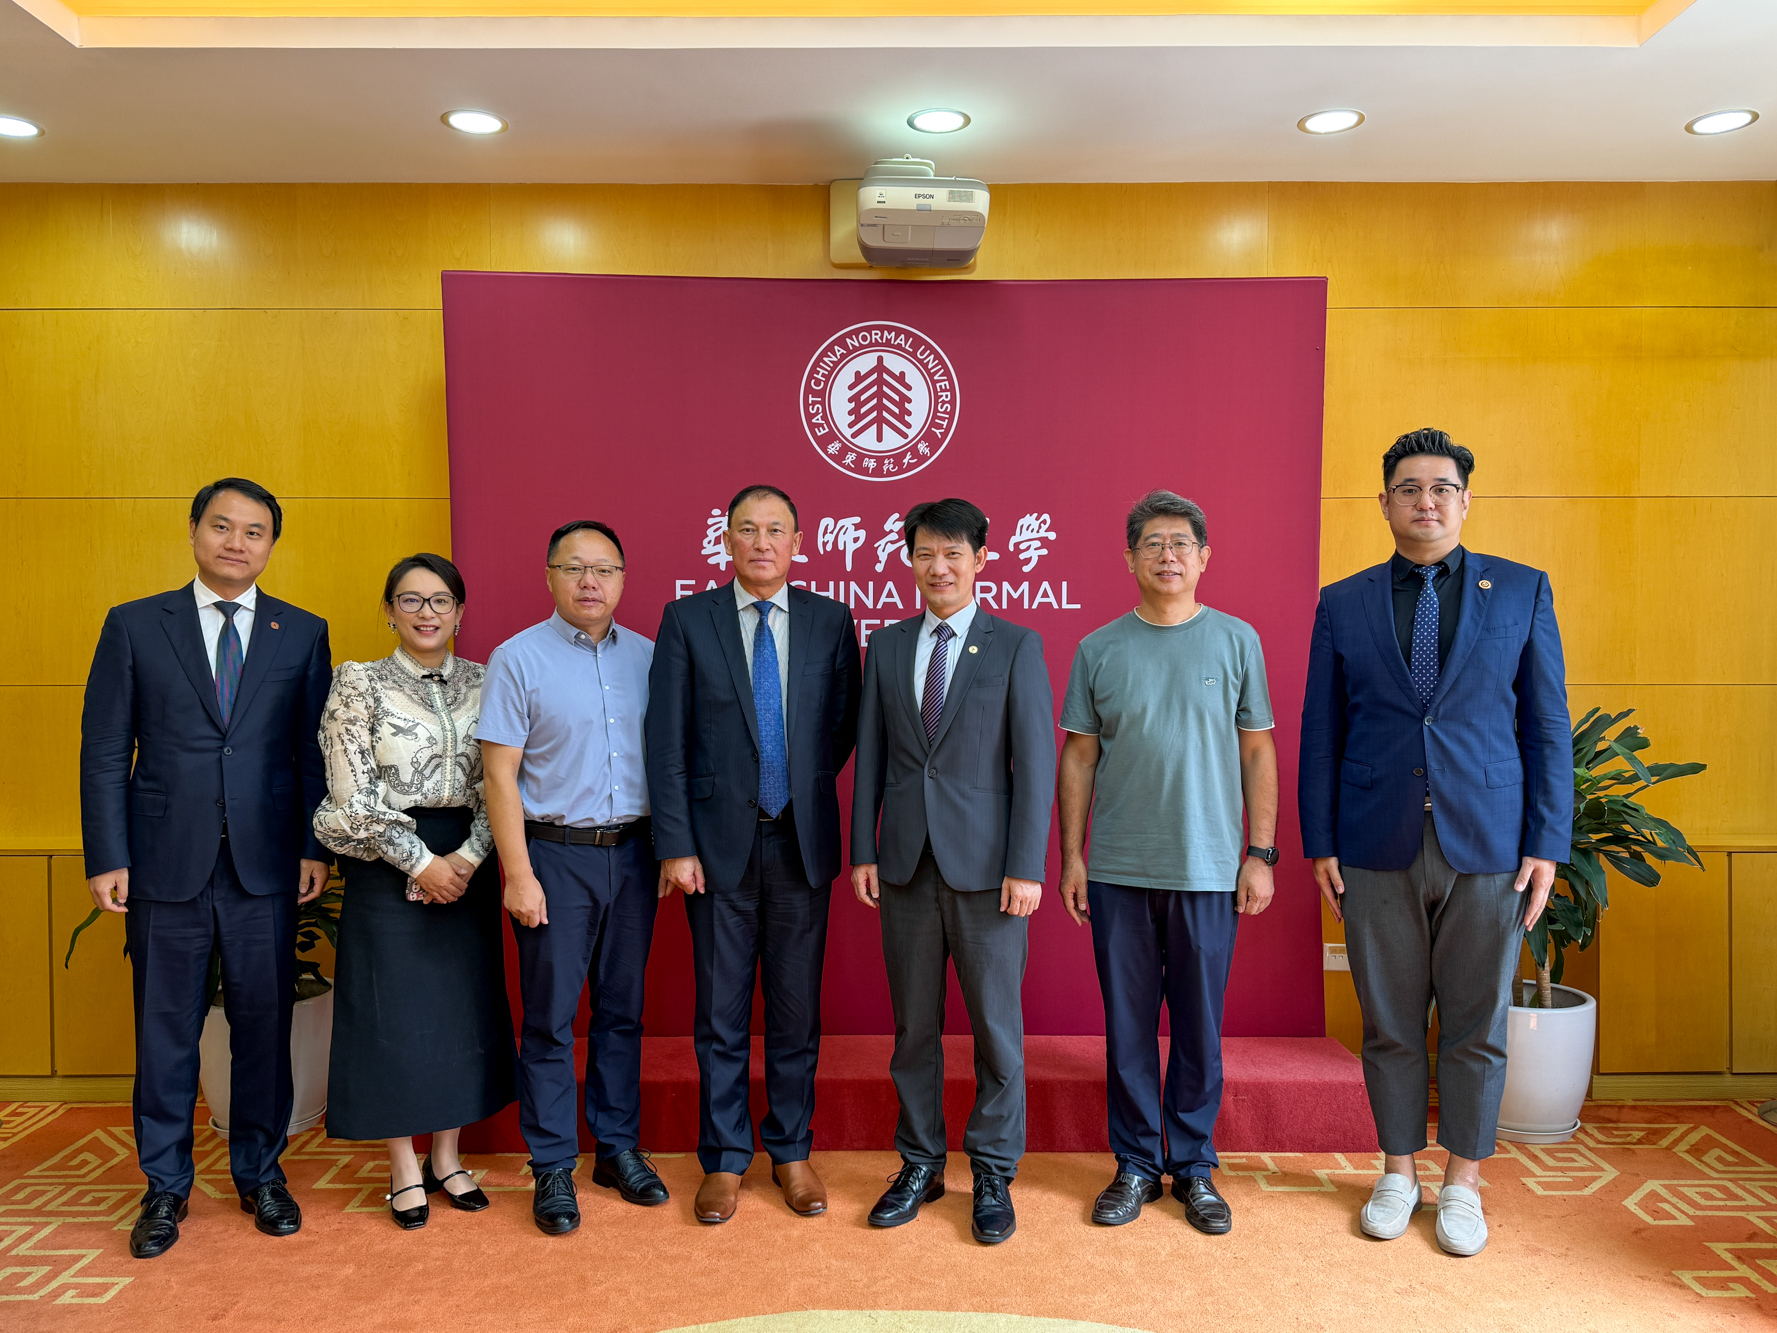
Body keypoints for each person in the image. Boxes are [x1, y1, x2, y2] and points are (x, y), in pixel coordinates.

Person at [1300, 428, 1570, 1257]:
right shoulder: (1342, 601)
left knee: (1475, 1022)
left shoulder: (1520, 589)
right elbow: (1320, 729)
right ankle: (1396, 1170)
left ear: (1464, 500)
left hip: (1489, 843)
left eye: (1441, 487)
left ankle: (1462, 1180)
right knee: (1387, 1019)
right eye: (1409, 488)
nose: (1426, 501)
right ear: (1383, 502)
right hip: (1372, 838)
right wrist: (1319, 841)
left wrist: (1546, 842)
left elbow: (1545, 724)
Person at [80, 478, 332, 1260]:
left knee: (263, 1027)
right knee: (165, 1033)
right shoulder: (134, 624)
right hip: (163, 863)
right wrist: (108, 854)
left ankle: (261, 1173)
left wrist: (313, 846)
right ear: (193, 530)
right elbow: (104, 748)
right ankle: (164, 1186)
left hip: (266, 864)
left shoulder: (302, 632)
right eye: (222, 526)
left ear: (271, 545)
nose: (236, 542)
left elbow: (312, 752)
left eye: (254, 531)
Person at [1056, 491, 1278, 1236]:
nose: (1167, 555)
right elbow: (1078, 757)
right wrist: (1072, 857)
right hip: (1118, 869)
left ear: (1204, 556)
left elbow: (1258, 752)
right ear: (1129, 558)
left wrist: (1259, 854)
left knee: (1198, 1026)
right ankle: (1134, 1164)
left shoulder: (1236, 641)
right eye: (1152, 543)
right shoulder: (1099, 648)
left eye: (1181, 543)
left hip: (1209, 869)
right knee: (1126, 1028)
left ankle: (1194, 1166)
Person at [646, 484, 862, 1225]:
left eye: (775, 530)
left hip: (801, 842)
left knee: (797, 1012)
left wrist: (796, 788)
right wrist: (676, 843)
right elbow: (665, 741)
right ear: (726, 540)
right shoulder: (687, 619)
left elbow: (840, 729)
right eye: (747, 529)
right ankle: (724, 1157)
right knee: (721, 1013)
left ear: (799, 542)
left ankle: (792, 1150)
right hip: (714, 850)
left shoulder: (831, 620)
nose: (761, 542)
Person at [851, 498, 1056, 1245]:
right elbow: (871, 756)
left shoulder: (1015, 645)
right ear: (909, 559)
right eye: (925, 554)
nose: (938, 567)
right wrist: (863, 849)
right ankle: (920, 1163)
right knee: (914, 1029)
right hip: (905, 865)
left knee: (996, 1030)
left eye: (953, 554)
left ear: (980, 560)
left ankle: (993, 1170)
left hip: (989, 873)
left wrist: (1026, 865)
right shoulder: (885, 645)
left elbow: (1035, 764)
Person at [312, 553, 516, 1230]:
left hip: (469, 859)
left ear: (459, 611)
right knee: (392, 1016)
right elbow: (350, 793)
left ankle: (447, 1156)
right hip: (385, 857)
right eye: (410, 599)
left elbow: (503, 783)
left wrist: (467, 857)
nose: (426, 613)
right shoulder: (359, 682)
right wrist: (421, 863)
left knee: (459, 1012)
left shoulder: (488, 680)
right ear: (389, 610)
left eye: (440, 601)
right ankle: (403, 1164)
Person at [477, 520, 663, 1235]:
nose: (591, 582)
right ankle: (553, 1163)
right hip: (553, 855)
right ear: (549, 575)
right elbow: (499, 776)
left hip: (635, 854)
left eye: (605, 569)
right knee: (551, 1018)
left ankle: (616, 1148)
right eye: (575, 568)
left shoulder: (648, 657)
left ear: (622, 578)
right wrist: (517, 873)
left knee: (622, 1012)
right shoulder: (517, 657)